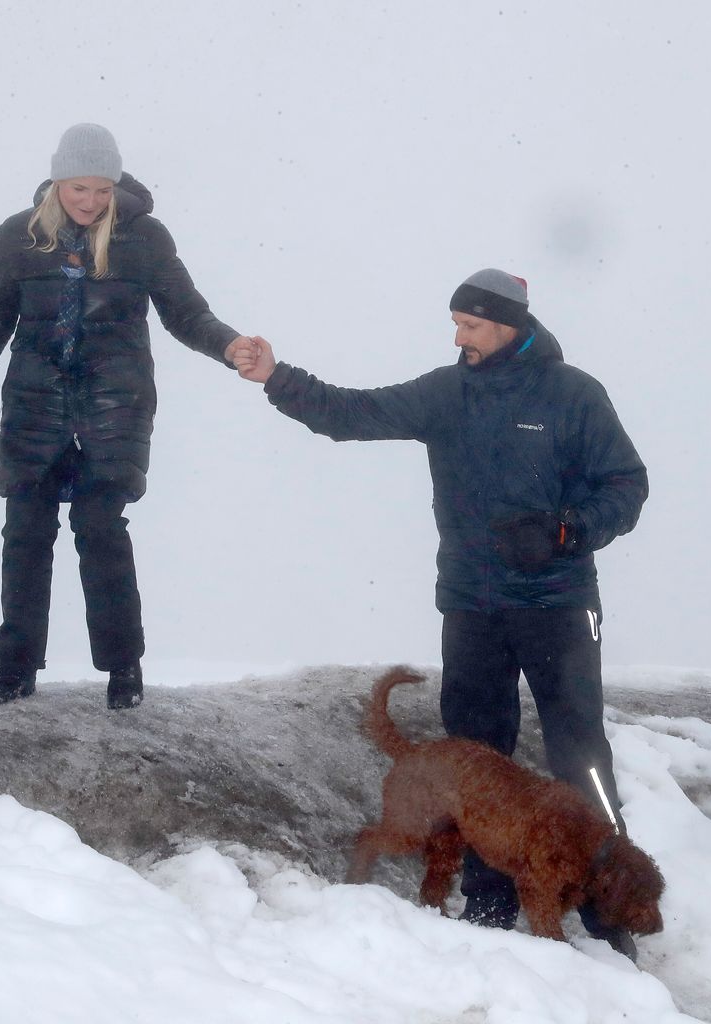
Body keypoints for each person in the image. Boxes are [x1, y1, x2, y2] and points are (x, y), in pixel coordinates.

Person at [226, 269, 649, 958]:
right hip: (472, 605)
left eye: (471, 324)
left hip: (557, 605)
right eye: (455, 323)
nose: (458, 336)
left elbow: (626, 484)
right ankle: (487, 900)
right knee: (476, 761)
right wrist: (278, 377)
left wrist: (566, 531)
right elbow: (348, 413)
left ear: (510, 324)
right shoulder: (445, 392)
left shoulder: (573, 394)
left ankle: (609, 910)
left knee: (580, 755)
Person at [0, 123, 249, 710]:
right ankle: (15, 669)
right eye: (79, 187)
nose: (90, 201)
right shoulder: (18, 238)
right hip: (33, 410)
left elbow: (186, 312)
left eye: (102, 189)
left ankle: (124, 669)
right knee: (25, 535)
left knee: (101, 533)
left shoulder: (144, 237)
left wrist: (230, 347)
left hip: (113, 413)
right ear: (57, 181)